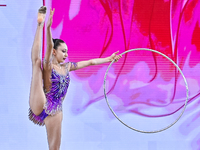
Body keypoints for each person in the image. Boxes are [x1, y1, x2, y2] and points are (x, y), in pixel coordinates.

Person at [28, 6, 122, 150]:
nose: (66, 55)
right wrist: (47, 28)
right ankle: (39, 25)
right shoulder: (49, 66)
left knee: (54, 148)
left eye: (67, 52)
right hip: (41, 101)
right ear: (54, 51)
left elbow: (90, 62)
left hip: (55, 109)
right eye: (63, 51)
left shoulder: (67, 67)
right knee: (36, 64)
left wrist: (109, 59)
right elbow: (47, 48)